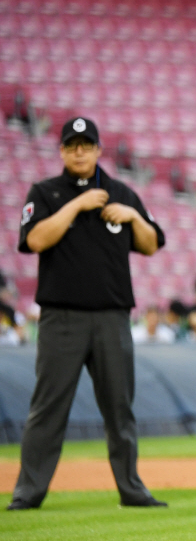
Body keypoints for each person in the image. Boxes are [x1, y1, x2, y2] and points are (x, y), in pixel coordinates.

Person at [7, 117, 167, 510]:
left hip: (112, 317)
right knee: (48, 407)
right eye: (72, 144)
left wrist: (133, 217)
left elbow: (150, 244)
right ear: (61, 150)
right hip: (61, 318)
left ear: (97, 150)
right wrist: (78, 205)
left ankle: (131, 489)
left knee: (119, 407)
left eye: (86, 144)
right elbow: (34, 239)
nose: (79, 151)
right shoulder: (45, 193)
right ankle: (28, 493)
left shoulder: (120, 192)